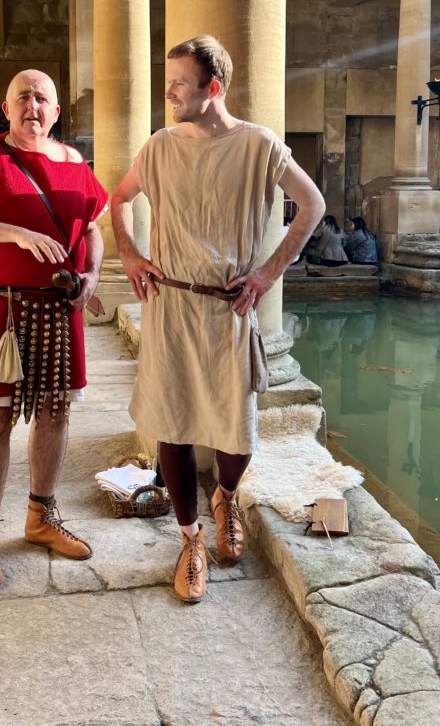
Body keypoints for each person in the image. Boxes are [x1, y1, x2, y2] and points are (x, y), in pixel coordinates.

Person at [110, 35, 325, 603]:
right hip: (171, 306)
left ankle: (226, 495)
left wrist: (268, 272)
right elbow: (120, 199)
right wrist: (130, 255)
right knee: (173, 427)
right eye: (168, 80)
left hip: (230, 308)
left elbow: (313, 205)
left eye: (180, 81)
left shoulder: (259, 145)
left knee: (238, 429)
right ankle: (190, 540)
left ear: (215, 87)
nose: (169, 90)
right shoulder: (157, 147)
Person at [0, 69, 107, 596]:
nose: (33, 105)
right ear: (6, 108)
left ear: (56, 113)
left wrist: (92, 276)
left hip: (62, 311)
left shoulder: (76, 164)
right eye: (23, 97)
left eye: (43, 98)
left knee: (56, 414)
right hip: (8, 311)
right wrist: (15, 232)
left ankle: (40, 517)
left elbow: (95, 229)